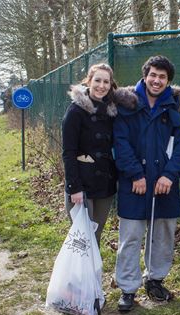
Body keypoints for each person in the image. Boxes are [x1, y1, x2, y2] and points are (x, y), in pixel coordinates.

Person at [113, 55, 180, 312]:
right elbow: (120, 143)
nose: (157, 81)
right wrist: (136, 174)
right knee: (131, 237)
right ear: (145, 75)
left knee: (163, 235)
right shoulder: (127, 104)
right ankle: (127, 288)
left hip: (164, 185)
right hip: (134, 184)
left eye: (163, 77)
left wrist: (169, 175)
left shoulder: (175, 107)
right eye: (153, 75)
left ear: (169, 81)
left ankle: (155, 279)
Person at [62, 63, 135, 245]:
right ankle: (78, 274)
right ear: (88, 81)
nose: (101, 86)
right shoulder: (75, 111)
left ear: (111, 85)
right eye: (97, 80)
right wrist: (74, 187)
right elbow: (68, 152)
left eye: (106, 82)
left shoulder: (112, 112)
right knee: (82, 238)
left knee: (96, 235)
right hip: (82, 186)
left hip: (105, 185)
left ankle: (93, 273)